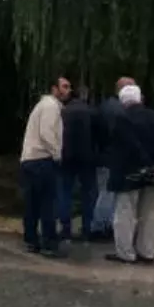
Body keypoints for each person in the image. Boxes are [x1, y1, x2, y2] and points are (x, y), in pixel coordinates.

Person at [106, 84, 154, 264]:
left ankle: (125, 253)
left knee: (125, 213)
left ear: (122, 102)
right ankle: (147, 251)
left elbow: (124, 147)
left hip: (129, 173)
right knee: (149, 213)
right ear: (140, 98)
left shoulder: (122, 119)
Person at [20, 76, 71, 256]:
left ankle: (31, 240)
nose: (68, 90)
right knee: (47, 203)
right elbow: (47, 133)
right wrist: (57, 154)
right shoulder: (51, 106)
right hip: (42, 159)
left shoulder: (42, 105)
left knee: (32, 203)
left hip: (29, 159)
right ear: (54, 88)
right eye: (64, 86)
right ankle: (49, 242)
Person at [90, 77, 135, 239]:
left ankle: (104, 224)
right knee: (107, 193)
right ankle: (99, 226)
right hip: (110, 157)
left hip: (103, 156)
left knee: (106, 192)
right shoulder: (118, 110)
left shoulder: (107, 106)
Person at [58, 87, 104, 241]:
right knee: (88, 194)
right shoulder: (93, 112)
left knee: (65, 192)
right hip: (88, 158)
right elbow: (99, 136)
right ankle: (86, 229)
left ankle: (65, 228)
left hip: (67, 157)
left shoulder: (63, 112)